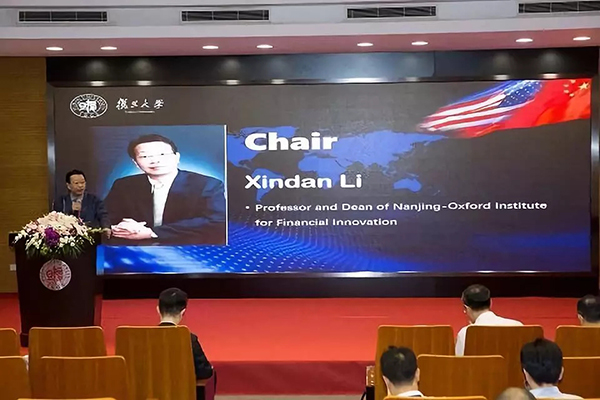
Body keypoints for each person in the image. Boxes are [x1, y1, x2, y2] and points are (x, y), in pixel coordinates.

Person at [104, 134, 226, 245]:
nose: (155, 160)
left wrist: (151, 232)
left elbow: (217, 220)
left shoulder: (207, 184)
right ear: (135, 162)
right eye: (145, 156)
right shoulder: (124, 185)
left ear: (177, 157)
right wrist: (118, 227)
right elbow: (105, 215)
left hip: (187, 248)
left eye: (162, 154)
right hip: (135, 249)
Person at [158, 287, 213, 380]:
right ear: (183, 312)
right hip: (182, 389)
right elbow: (204, 372)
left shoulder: (142, 338)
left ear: (158, 310)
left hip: (148, 389)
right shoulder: (188, 338)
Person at [455, 284, 523, 356]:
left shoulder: (465, 333)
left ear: (466, 308)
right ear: (491, 303)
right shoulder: (517, 326)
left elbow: (461, 361)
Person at [52, 169, 111, 234]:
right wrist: (71, 211)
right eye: (76, 183)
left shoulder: (95, 200)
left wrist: (106, 227)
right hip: (67, 236)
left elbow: (103, 215)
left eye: (82, 182)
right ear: (68, 186)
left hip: (90, 235)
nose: (80, 186)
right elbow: (56, 221)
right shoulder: (61, 201)